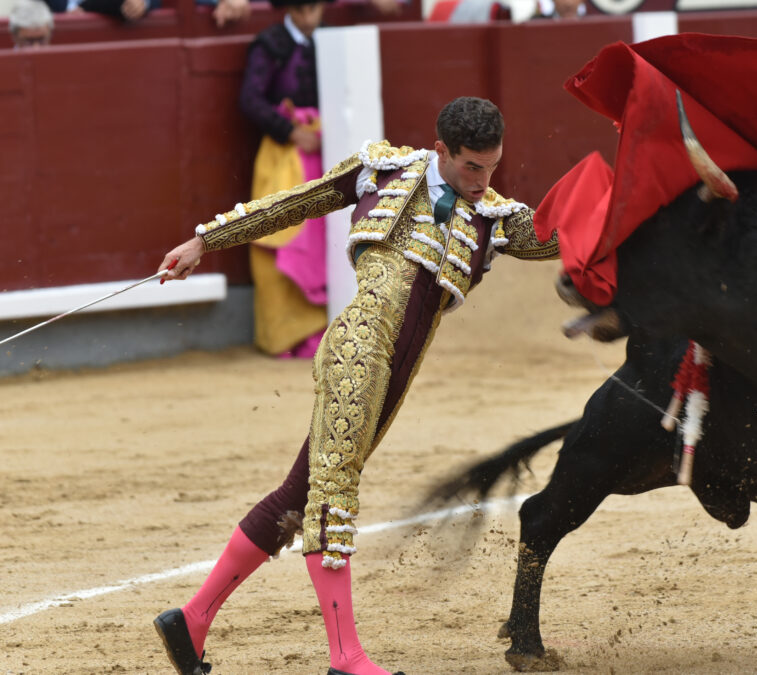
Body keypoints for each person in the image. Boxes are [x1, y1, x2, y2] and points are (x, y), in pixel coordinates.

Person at [152, 96, 559, 675]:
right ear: (441, 150)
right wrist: (204, 241)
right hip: (358, 349)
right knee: (333, 493)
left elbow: (559, 236)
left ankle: (190, 622)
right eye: (472, 166)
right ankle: (346, 659)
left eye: (492, 166)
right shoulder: (384, 168)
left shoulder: (493, 215)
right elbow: (295, 202)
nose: (483, 180)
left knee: (298, 493)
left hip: (398, 372)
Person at [240, 0, 332, 358]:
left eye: (315, 8)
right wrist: (290, 131)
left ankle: (323, 330)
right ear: (289, 9)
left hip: (325, 153)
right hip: (285, 155)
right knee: (281, 234)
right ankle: (283, 335)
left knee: (323, 241)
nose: (310, 18)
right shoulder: (270, 44)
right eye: (302, 10)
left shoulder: (329, 40)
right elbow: (250, 99)